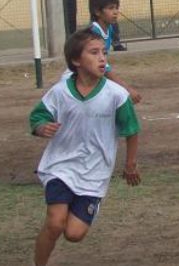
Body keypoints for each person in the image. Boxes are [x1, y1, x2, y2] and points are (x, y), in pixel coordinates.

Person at [29, 28, 141, 266]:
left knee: (74, 234)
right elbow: (38, 116)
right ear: (76, 60)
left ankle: (87, 205)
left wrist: (130, 164)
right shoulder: (60, 92)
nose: (102, 58)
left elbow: (131, 129)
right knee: (55, 222)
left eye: (104, 52)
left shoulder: (116, 95)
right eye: (94, 52)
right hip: (60, 165)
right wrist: (41, 127)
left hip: (95, 172)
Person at [86, 0, 142, 104]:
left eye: (116, 8)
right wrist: (127, 89)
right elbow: (105, 70)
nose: (116, 12)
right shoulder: (93, 33)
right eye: (111, 8)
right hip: (81, 79)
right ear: (97, 11)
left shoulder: (109, 28)